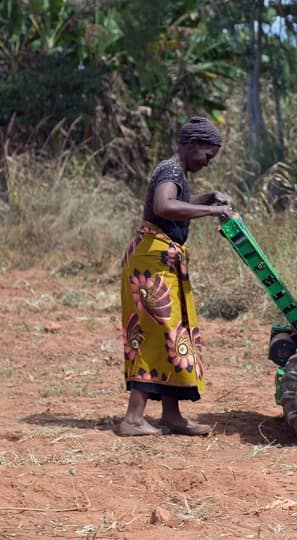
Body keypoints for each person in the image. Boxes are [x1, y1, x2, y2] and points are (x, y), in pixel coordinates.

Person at [117, 116, 231, 436]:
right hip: (151, 263)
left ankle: (171, 415)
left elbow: (175, 202)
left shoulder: (176, 171)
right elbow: (164, 205)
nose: (207, 163)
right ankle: (133, 419)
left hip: (161, 260)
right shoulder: (169, 170)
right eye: (207, 156)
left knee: (172, 335)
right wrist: (212, 212)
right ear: (192, 145)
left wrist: (206, 198)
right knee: (156, 333)